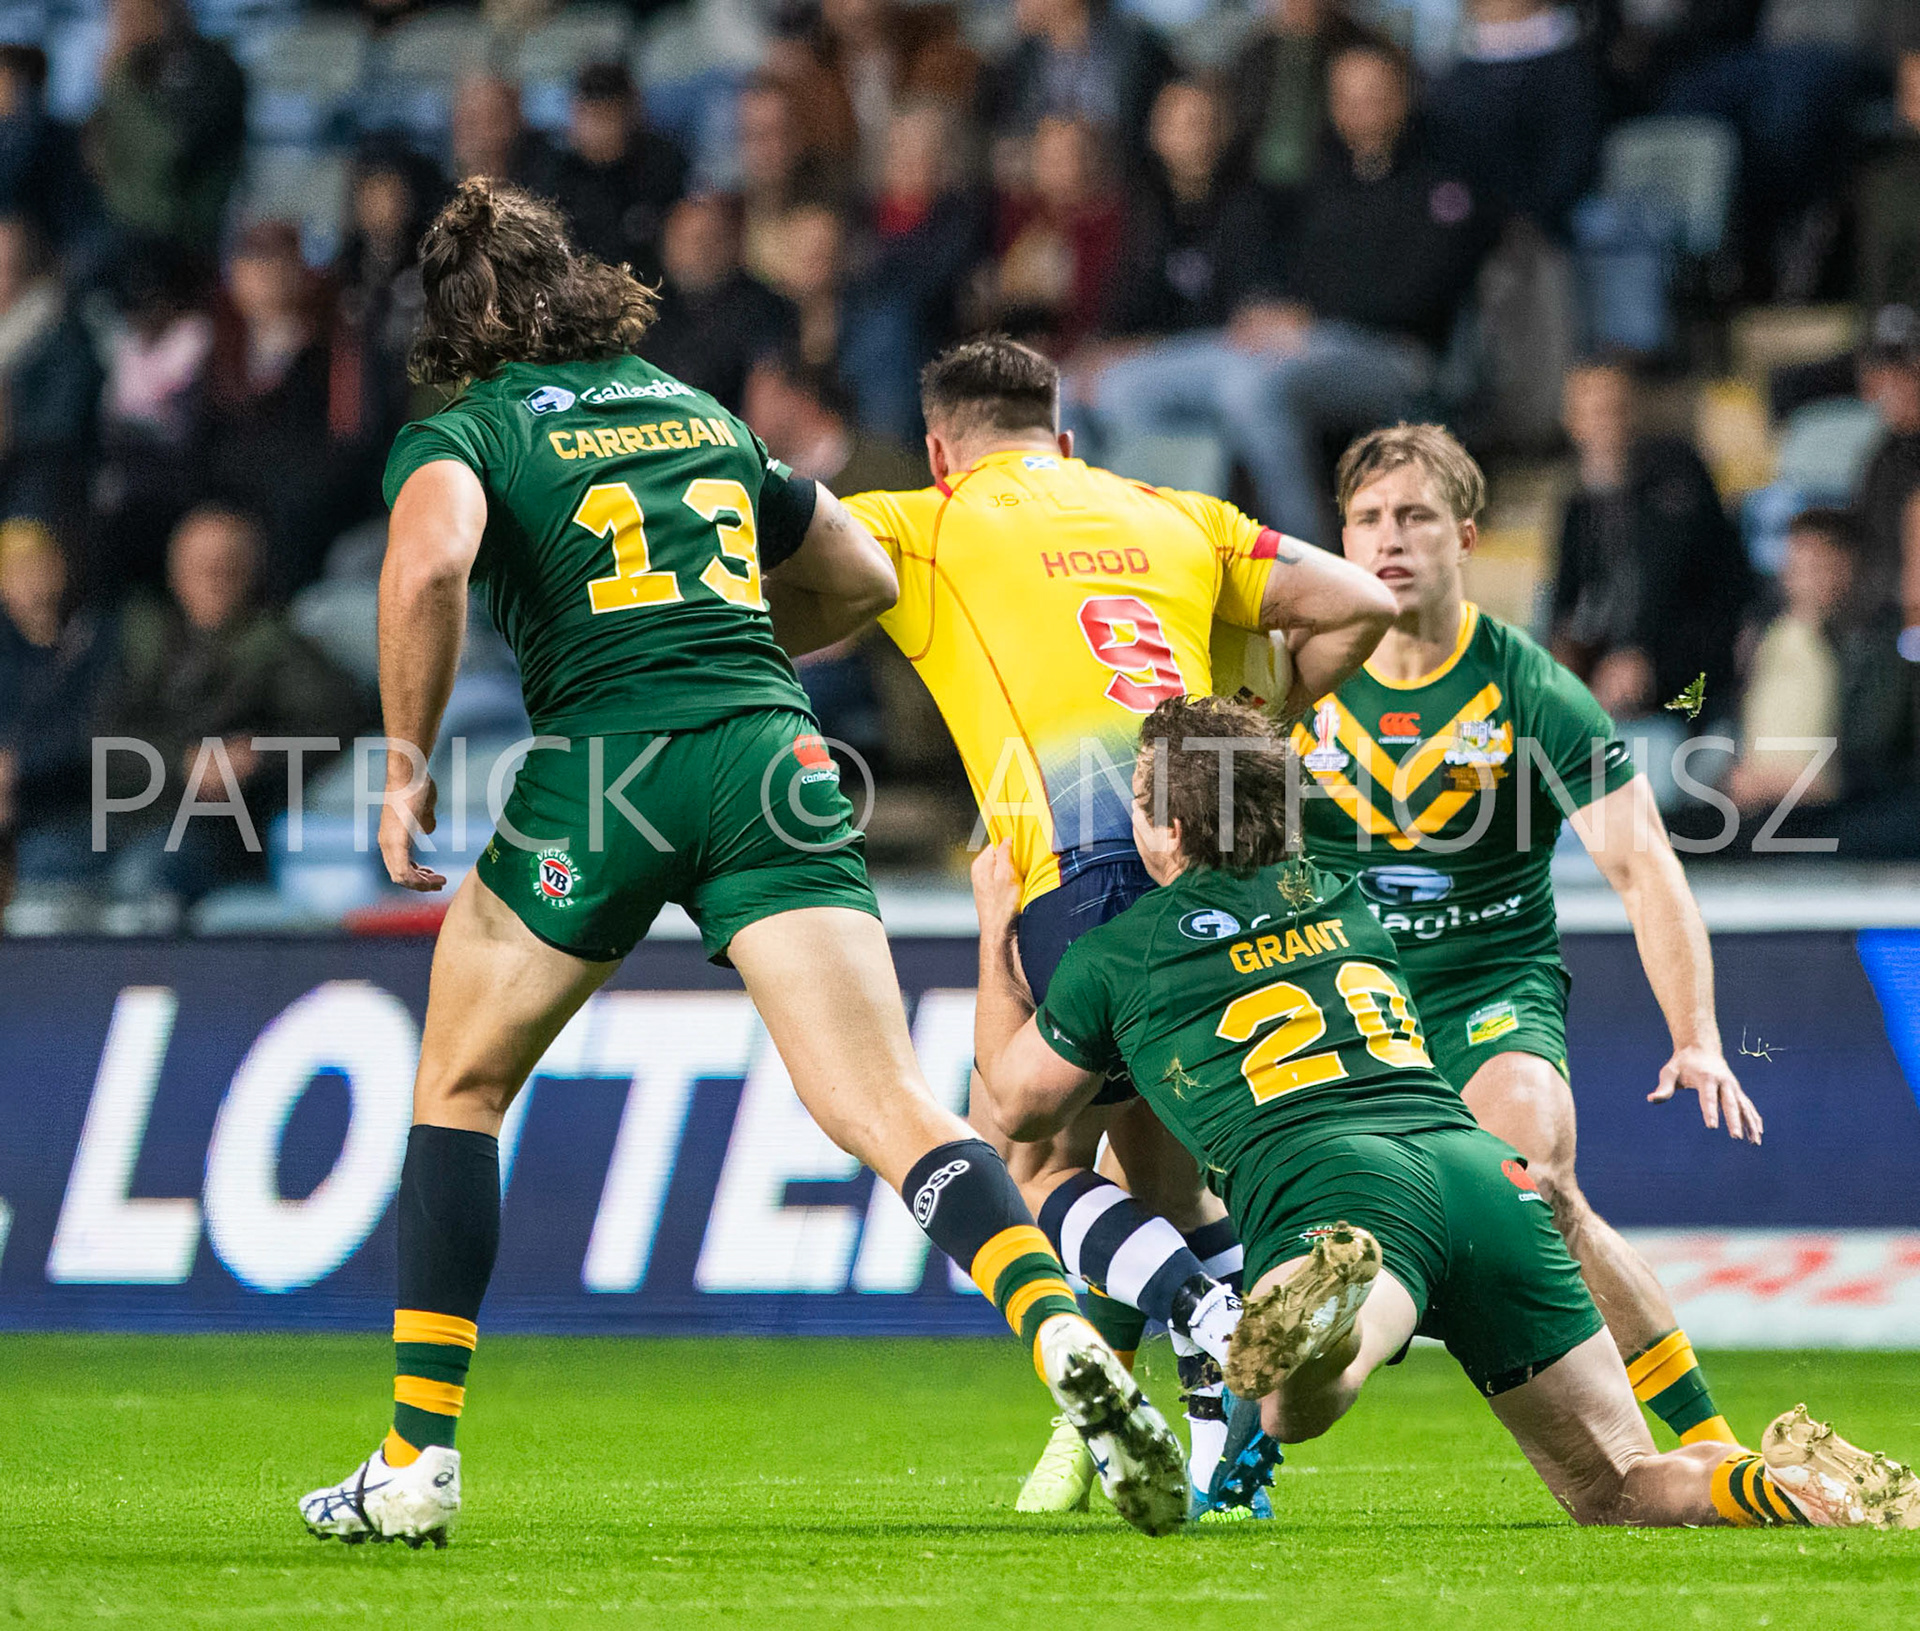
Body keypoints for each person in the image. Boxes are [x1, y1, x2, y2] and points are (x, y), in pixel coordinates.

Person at [296, 182, 1187, 1547]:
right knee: (888, 1101)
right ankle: (1059, 1326)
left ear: (461, 318)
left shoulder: (466, 426)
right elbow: (858, 577)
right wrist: (721, 636)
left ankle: (417, 1456)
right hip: (774, 751)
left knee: (460, 1083)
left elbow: (424, 569)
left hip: (606, 766)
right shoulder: (695, 409)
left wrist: (407, 762)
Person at [971, 692, 1920, 1532]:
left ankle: (1317, 1313)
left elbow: (1013, 1106)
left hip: (1338, 1186)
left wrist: (994, 931)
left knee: (1299, 1397)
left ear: (1168, 827)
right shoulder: (1347, 901)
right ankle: (1777, 1483)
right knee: (1622, 1485)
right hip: (1485, 1173)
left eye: (1140, 801)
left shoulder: (1121, 954)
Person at [840, 335, 1396, 1516]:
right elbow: (1361, 602)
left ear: (942, 452)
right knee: (1167, 1178)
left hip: (1077, 861)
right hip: (1202, 852)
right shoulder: (1175, 510)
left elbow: (789, 580)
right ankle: (1228, 1465)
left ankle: (1205, 1310)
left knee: (1033, 1158)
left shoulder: (926, 519)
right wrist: (1243, 726)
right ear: (1069, 437)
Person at [1218, 422, 1757, 1453]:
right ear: (1339, 535)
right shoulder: (1286, 687)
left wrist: (1697, 1035)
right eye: (1368, 518)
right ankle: (1230, 1445)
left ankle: (1710, 1445)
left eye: (1415, 515)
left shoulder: (1530, 686)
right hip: (1339, 1010)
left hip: (1486, 995)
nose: (1391, 537)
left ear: (1466, 535)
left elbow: (1645, 865)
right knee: (1250, 1217)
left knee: (1535, 1184)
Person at [1088, 41, 1491, 540]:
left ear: (1404, 95)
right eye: (1345, 95)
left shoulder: (1441, 178)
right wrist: (1273, 309)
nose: (1358, 107)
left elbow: (1421, 294)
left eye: (1374, 93)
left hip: (1396, 353)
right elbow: (1282, 270)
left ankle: (1305, 556)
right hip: (1303, 341)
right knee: (1124, 389)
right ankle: (1183, 546)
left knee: (1254, 388)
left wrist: (1307, 312)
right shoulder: (1321, 176)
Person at [96, 505, 368, 904]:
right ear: (175, 573)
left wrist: (256, 755)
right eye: (198, 565)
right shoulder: (139, 643)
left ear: (251, 572)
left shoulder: (276, 648)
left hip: (218, 829)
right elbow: (101, 735)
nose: (212, 576)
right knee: (46, 871)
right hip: (119, 817)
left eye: (226, 564)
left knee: (140, 881)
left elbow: (339, 721)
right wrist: (181, 763)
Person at [1550, 357, 1753, 730]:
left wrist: (1650, 668)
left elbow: (1721, 606)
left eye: (1617, 409)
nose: (1607, 424)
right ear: (1572, 424)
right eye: (1594, 413)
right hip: (1606, 695)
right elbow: (1566, 613)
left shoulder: (1679, 483)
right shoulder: (1577, 510)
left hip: (1687, 694)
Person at [640, 194, 796, 414]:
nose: (696, 252)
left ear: (733, 244)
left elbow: (768, 402)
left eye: (707, 239)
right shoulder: (645, 304)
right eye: (682, 239)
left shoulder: (765, 309)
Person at [533, 62, 687, 281]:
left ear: (630, 113)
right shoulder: (553, 171)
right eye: (590, 116)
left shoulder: (662, 166)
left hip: (649, 292)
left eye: (607, 116)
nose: (598, 129)